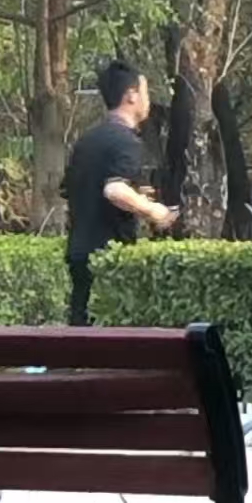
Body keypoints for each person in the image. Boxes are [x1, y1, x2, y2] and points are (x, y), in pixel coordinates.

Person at [63, 60, 177, 326]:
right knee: (110, 333)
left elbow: (73, 189)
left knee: (79, 332)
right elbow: (114, 189)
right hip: (109, 258)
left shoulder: (86, 142)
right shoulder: (127, 141)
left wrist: (137, 195)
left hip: (78, 252)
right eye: (145, 92)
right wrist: (154, 211)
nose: (148, 100)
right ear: (131, 95)